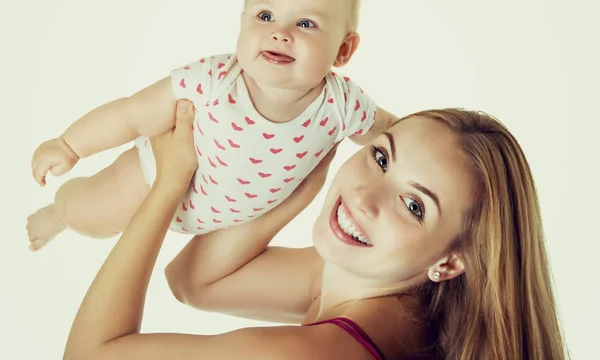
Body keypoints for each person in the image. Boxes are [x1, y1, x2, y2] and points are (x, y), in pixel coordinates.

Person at [63, 100, 568, 360]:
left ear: (451, 261)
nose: (364, 195)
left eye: (414, 205)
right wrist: (299, 182)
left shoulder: (305, 354)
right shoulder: (398, 305)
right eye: (379, 156)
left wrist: (168, 183)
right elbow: (193, 280)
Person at [26, 0, 397, 250]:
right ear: (242, 24)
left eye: (305, 23)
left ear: (343, 50)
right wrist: (70, 145)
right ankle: (58, 214)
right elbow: (131, 115)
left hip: (227, 221)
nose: (280, 33)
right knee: (91, 219)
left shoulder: (343, 105)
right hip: (147, 180)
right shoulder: (214, 80)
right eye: (265, 16)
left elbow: (399, 133)